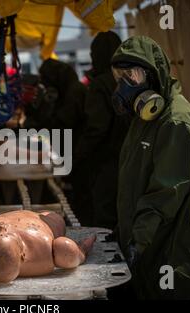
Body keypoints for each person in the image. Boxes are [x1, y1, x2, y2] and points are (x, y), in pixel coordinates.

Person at [111, 36, 190, 299]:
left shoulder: (176, 121)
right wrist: (124, 232)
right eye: (120, 75)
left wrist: (137, 242)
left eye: (132, 75)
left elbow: (166, 192)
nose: (125, 84)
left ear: (154, 75)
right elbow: (134, 179)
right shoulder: (145, 117)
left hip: (168, 252)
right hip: (145, 245)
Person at [73, 31, 130, 228]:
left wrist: (76, 156)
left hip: (107, 163)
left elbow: (97, 128)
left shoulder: (101, 84)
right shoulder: (130, 77)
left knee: (107, 222)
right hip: (131, 158)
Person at [0, 209, 95, 283]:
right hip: (36, 219)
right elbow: (77, 253)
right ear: (23, 254)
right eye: (6, 235)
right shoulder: (45, 251)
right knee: (55, 219)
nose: (1, 229)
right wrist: (84, 246)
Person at [37, 59, 87, 218]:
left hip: (78, 154)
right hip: (72, 152)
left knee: (80, 200)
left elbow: (63, 122)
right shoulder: (68, 90)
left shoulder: (74, 92)